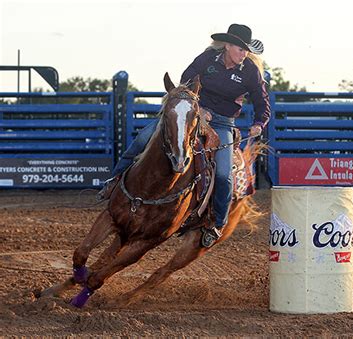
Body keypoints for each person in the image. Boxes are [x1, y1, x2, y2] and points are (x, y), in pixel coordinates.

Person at [99, 23, 271, 248]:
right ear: (228, 45)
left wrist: (259, 123)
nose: (244, 54)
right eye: (241, 48)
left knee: (222, 174)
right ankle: (113, 181)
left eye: (246, 50)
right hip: (192, 113)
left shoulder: (250, 71)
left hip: (222, 124)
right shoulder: (207, 59)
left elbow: (262, 102)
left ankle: (217, 223)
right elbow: (186, 81)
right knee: (143, 139)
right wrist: (198, 109)